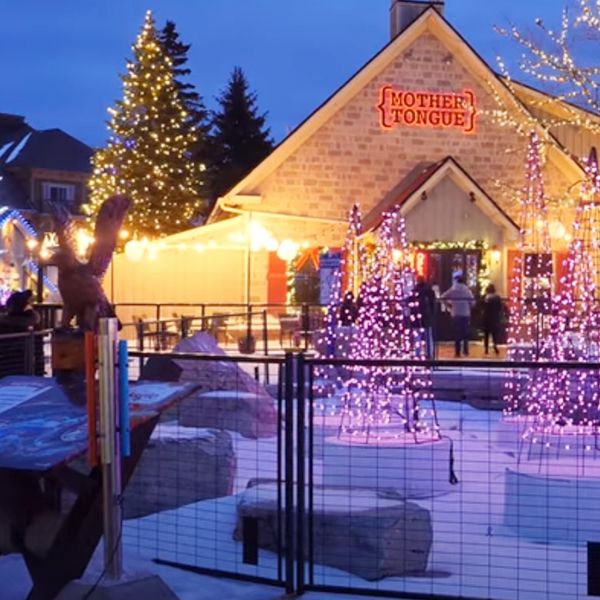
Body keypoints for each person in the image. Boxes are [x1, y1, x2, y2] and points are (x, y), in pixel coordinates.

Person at [441, 276, 475, 357]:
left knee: (457, 333)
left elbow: (442, 297)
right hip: (465, 314)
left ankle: (457, 352)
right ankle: (466, 351)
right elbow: (473, 302)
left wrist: (448, 305)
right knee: (465, 333)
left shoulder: (453, 289)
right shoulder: (467, 291)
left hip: (455, 313)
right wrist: (468, 307)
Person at [413, 276, 436, 358]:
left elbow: (410, 302)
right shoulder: (429, 291)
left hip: (417, 316)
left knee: (417, 336)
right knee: (428, 335)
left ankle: (417, 353)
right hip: (427, 315)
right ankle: (429, 353)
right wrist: (432, 313)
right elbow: (433, 303)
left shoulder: (414, 291)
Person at [482, 283, 503, 355]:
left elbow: (482, 306)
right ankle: (495, 345)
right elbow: (500, 307)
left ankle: (486, 348)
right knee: (495, 333)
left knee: (486, 334)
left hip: (487, 317)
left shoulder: (485, 297)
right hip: (495, 317)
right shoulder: (497, 298)